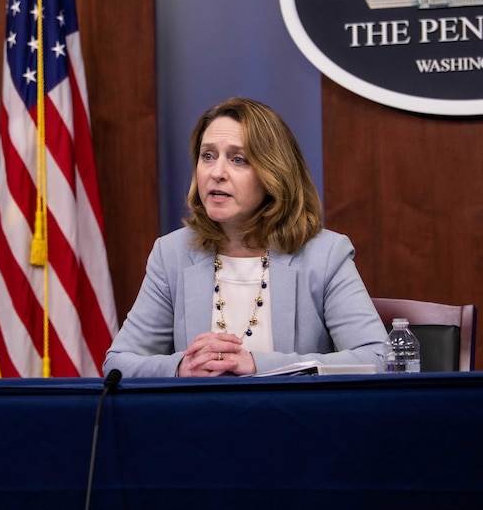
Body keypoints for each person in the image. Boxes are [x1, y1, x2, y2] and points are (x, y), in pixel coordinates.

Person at [104, 97, 387, 378]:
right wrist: (181, 368)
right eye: (208, 156)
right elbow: (117, 364)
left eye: (238, 159)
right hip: (201, 420)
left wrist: (257, 365)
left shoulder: (324, 255)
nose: (216, 173)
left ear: (273, 173)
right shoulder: (172, 254)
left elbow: (377, 358)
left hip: (293, 420)